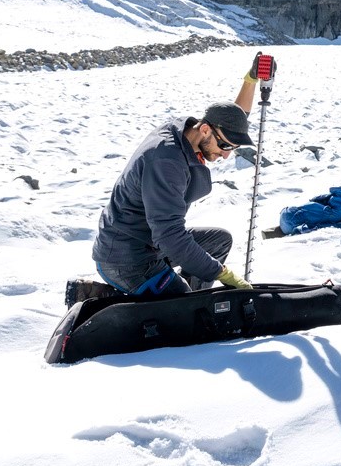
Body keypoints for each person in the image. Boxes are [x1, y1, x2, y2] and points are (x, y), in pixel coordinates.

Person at [92, 53, 276, 297]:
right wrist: (221, 273)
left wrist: (250, 80)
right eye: (225, 147)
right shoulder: (166, 162)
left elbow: (233, 119)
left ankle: (186, 294)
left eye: (232, 148)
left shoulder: (190, 131)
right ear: (206, 130)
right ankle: (176, 300)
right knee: (187, 309)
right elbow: (170, 236)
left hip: (150, 242)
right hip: (127, 257)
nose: (226, 156)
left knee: (219, 241)